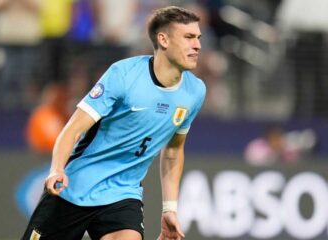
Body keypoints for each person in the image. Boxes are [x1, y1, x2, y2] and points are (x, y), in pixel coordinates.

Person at [22, 5, 206, 240]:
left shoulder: (195, 91)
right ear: (164, 39)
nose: (198, 45)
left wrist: (169, 208)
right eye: (189, 37)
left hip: (123, 194)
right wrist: (57, 169)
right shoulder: (124, 75)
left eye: (198, 38)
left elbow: (173, 150)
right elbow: (73, 129)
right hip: (75, 187)